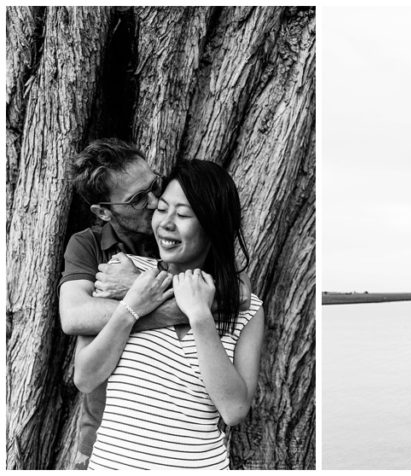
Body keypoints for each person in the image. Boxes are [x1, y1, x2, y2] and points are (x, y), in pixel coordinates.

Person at [72, 160, 264, 469]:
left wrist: (200, 318)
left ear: (213, 225)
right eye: (162, 209)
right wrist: (132, 306)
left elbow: (234, 410)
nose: (166, 223)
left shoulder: (245, 306)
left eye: (184, 214)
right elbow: (84, 377)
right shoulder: (120, 276)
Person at [59, 139, 191, 469]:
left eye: (155, 186)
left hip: (179, 435)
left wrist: (133, 287)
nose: (155, 201)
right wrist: (154, 306)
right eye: (135, 200)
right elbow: (74, 316)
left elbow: (233, 295)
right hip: (103, 435)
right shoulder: (87, 245)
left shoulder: (182, 233)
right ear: (104, 211)